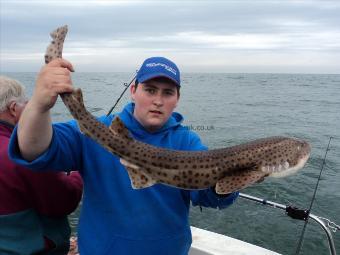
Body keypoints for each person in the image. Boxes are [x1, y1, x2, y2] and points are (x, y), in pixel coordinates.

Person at [9, 57, 239, 255]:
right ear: (133, 91)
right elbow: (33, 149)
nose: (158, 100)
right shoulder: (96, 131)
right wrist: (39, 106)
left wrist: (238, 175)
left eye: (167, 93)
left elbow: (210, 196)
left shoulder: (187, 142)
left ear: (177, 99)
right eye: (150, 90)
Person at [0, 76, 83, 254]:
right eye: (26, 105)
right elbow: (64, 201)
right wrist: (77, 174)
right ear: (14, 109)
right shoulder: (19, 156)